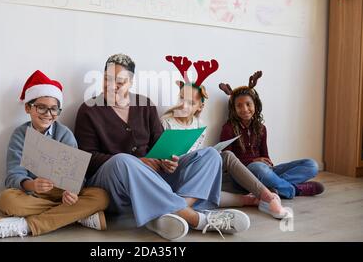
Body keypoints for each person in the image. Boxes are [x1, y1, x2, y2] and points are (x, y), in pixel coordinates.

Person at [74, 54, 250, 241]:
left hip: (153, 177)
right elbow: (87, 160)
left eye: (119, 81)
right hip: (114, 181)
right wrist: (138, 162)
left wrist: (168, 161)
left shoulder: (145, 105)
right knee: (123, 160)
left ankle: (170, 213)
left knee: (211, 155)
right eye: (107, 79)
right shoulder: (88, 110)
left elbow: (160, 144)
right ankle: (194, 218)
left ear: (131, 82)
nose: (112, 86)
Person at [0, 70, 109, 239]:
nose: (48, 115)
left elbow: (77, 176)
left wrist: (71, 191)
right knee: (6, 200)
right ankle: (76, 216)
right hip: (33, 195)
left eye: (53, 109)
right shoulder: (20, 134)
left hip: (62, 195)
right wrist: (32, 185)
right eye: (41, 107)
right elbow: (13, 175)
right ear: (28, 107)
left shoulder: (65, 134)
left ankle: (26, 225)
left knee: (101, 197)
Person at [161, 56, 288, 219]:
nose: (185, 106)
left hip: (193, 170)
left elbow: (197, 153)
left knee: (225, 157)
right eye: (182, 100)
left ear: (200, 106)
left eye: (191, 103)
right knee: (220, 175)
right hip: (176, 170)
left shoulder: (200, 125)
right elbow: (161, 157)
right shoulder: (166, 122)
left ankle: (266, 197)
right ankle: (261, 197)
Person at [218, 71, 324, 200]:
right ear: (234, 109)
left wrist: (268, 165)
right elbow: (227, 164)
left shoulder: (261, 128)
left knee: (312, 165)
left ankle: (273, 187)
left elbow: (265, 156)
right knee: (257, 167)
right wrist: (252, 161)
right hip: (244, 176)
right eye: (239, 106)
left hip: (263, 171)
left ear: (255, 105)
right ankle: (295, 189)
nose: (245, 109)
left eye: (248, 104)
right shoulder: (228, 129)